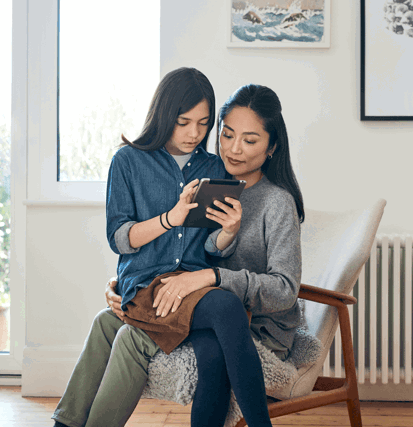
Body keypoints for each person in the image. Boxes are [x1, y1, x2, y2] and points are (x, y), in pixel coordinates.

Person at [51, 68, 271, 427]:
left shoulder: (214, 166)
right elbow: (120, 238)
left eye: (203, 124)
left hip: (190, 290)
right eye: (183, 122)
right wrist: (171, 217)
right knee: (225, 308)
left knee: (210, 349)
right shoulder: (128, 162)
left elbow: (212, 247)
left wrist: (229, 231)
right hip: (146, 287)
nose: (194, 133)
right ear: (164, 115)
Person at [106, 84, 305, 426]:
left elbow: (285, 291)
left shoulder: (277, 202)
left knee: (217, 338)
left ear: (272, 146)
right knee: (211, 352)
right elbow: (175, 252)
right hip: (202, 312)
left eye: (250, 140)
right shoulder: (206, 183)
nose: (234, 149)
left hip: (256, 324)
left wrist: (211, 277)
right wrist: (125, 282)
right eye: (226, 135)